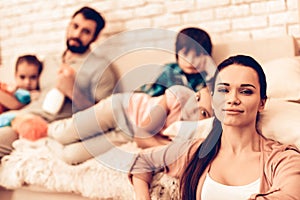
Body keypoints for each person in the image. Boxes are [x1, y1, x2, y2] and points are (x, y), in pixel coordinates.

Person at [129, 55, 300, 199]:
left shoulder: (283, 160)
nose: (232, 99)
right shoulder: (195, 151)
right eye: (223, 90)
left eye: (246, 91)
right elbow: (142, 161)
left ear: (262, 103)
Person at [0, 6, 117, 159]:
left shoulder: (101, 68)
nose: (77, 34)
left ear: (94, 37)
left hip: (44, 125)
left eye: (86, 31)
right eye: (75, 26)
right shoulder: (49, 60)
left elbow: (100, 118)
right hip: (20, 115)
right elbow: (31, 91)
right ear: (69, 26)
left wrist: (73, 91)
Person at [46, 85, 213, 164]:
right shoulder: (179, 96)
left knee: (71, 156)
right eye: (198, 97)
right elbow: (142, 136)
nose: (194, 106)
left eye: (204, 112)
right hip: (120, 109)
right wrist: (169, 148)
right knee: (62, 133)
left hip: (127, 134)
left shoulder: (193, 133)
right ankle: (47, 127)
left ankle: (46, 145)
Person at [138, 27, 213, 97]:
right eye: (185, 54)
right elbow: (149, 93)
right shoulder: (169, 70)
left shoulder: (208, 75)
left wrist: (211, 69)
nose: (190, 61)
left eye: (198, 55)